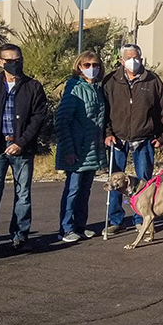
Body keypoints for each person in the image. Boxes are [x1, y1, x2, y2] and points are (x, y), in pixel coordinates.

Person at [0, 43, 49, 256]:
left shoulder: (33, 87)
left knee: (23, 194)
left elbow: (38, 118)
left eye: (18, 60)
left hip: (22, 150)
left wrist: (21, 142)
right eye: (10, 61)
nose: (15, 64)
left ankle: (20, 236)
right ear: (0, 62)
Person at [102, 43, 163, 236]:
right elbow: (104, 111)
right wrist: (107, 133)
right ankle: (116, 219)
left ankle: (142, 218)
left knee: (144, 182)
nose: (134, 61)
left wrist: (162, 136)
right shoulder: (111, 81)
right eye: (129, 58)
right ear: (121, 60)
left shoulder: (153, 80)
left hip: (144, 139)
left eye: (137, 57)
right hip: (117, 139)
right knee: (116, 181)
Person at [55, 52, 108, 243]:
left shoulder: (98, 89)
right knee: (73, 189)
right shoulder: (74, 88)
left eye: (95, 64)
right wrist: (69, 149)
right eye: (87, 64)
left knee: (85, 190)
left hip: (93, 149)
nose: (91, 67)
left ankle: (80, 225)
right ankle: (66, 228)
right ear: (79, 67)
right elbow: (62, 121)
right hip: (77, 150)